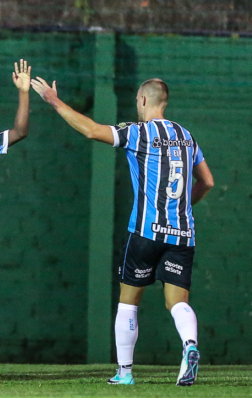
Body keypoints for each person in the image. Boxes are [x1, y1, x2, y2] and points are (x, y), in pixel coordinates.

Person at [31, 77, 214, 386]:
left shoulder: (138, 133)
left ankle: (125, 373)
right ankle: (190, 346)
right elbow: (206, 182)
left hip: (144, 232)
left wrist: (54, 101)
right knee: (177, 302)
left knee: (128, 303)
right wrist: (183, 208)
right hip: (182, 234)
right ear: (164, 102)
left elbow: (90, 130)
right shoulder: (187, 136)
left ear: (143, 100)